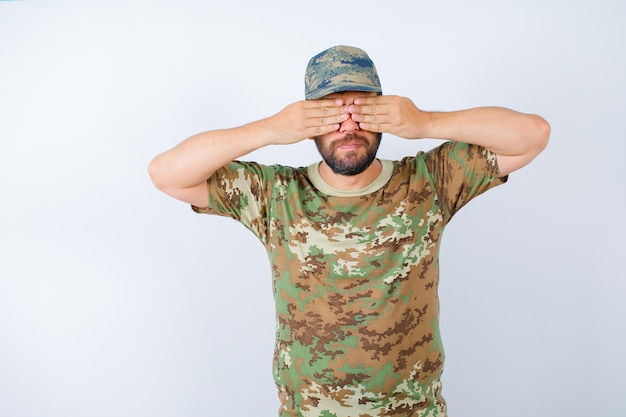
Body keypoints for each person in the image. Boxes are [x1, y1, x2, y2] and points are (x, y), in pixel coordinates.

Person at [148, 45, 550, 417]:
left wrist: (424, 122)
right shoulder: (275, 194)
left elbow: (533, 135)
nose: (348, 126)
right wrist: (269, 129)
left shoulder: (431, 180)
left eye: (363, 111)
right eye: (328, 113)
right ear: (307, 123)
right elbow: (166, 174)